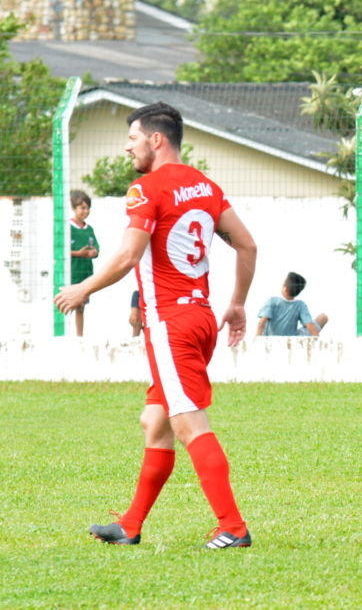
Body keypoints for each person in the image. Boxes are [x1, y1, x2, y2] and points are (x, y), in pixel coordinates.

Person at [54, 102, 258, 549]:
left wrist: (82, 288)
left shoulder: (145, 189)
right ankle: (130, 525)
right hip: (200, 319)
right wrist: (237, 304)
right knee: (155, 421)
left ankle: (234, 528)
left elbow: (128, 257)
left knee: (188, 424)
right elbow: (246, 245)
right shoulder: (207, 187)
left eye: (132, 139)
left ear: (156, 139)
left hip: (170, 323)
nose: (128, 148)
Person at [256, 272, 328, 336]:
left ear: (285, 289)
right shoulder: (300, 305)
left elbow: (261, 323)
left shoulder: (272, 301)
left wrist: (257, 341)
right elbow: (310, 325)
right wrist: (318, 341)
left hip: (271, 339)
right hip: (292, 340)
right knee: (323, 317)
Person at [69, 189, 99, 337]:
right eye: (82, 208)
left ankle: (79, 337)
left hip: (85, 274)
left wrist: (93, 253)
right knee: (68, 303)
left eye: (87, 208)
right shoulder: (67, 228)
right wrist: (78, 254)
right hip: (71, 273)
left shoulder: (89, 229)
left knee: (81, 307)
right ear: (74, 208)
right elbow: (60, 251)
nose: (86, 211)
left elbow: (96, 249)